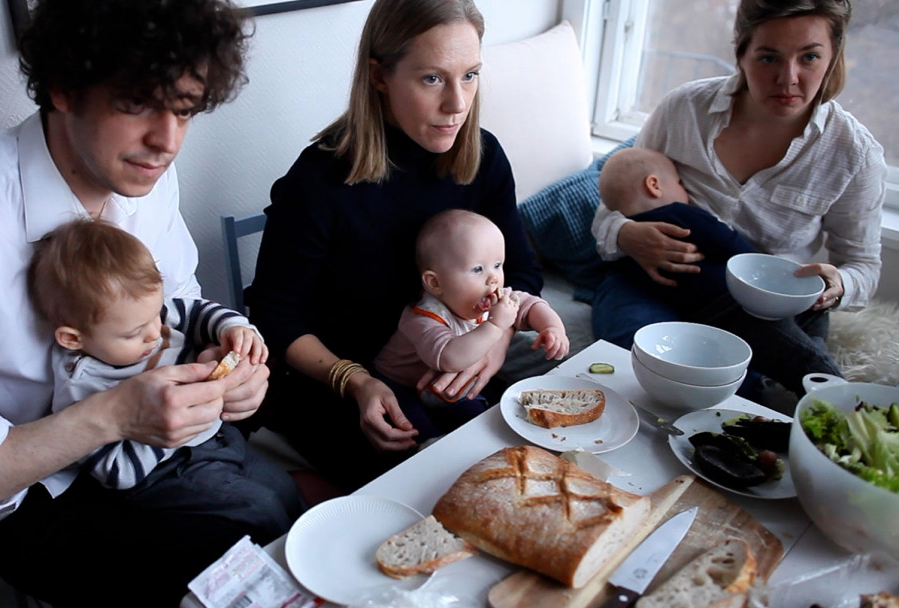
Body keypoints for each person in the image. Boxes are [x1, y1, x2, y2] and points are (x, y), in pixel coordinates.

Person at [0, 0, 302, 608]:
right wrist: (112, 415)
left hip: (164, 453)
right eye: (137, 103)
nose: (167, 142)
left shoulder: (145, 175)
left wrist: (223, 369)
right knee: (250, 544)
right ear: (64, 87)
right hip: (36, 498)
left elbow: (175, 304)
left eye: (183, 109)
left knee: (285, 511)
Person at [248, 0, 548, 491]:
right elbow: (275, 317)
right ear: (379, 76)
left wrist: (492, 348)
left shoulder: (484, 156)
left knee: (524, 470)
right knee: (433, 491)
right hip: (339, 384)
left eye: (470, 75)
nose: (457, 103)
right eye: (432, 79)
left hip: (450, 362)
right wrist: (357, 382)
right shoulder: (318, 181)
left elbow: (522, 271)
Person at [589, 0, 886, 397]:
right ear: (742, 54)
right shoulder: (684, 109)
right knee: (638, 361)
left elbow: (863, 266)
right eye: (768, 58)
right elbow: (615, 202)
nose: (788, 78)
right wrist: (625, 234)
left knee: (762, 382)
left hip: (767, 307)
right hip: (653, 283)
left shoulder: (854, 153)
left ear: (833, 56)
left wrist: (838, 283)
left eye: (809, 57)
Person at [28, 219, 271, 493]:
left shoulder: (143, 314)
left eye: (156, 315)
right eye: (134, 333)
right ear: (73, 339)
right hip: (169, 470)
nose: (156, 333)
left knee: (283, 490)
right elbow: (117, 472)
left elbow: (199, 312)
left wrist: (234, 329)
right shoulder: (80, 388)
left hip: (218, 434)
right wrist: (173, 423)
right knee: (260, 507)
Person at [374, 209, 568, 441]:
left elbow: (530, 305)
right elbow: (450, 358)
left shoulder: (493, 298)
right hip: (399, 385)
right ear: (435, 283)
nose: (493, 278)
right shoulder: (421, 319)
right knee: (413, 432)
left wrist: (552, 328)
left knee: (479, 420)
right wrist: (495, 325)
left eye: (497, 264)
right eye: (477, 269)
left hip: (450, 388)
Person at [599, 147, 758, 316]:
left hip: (682, 307)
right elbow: (730, 243)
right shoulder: (681, 214)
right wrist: (761, 263)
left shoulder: (627, 248)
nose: (685, 191)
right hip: (727, 299)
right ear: (654, 185)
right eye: (679, 182)